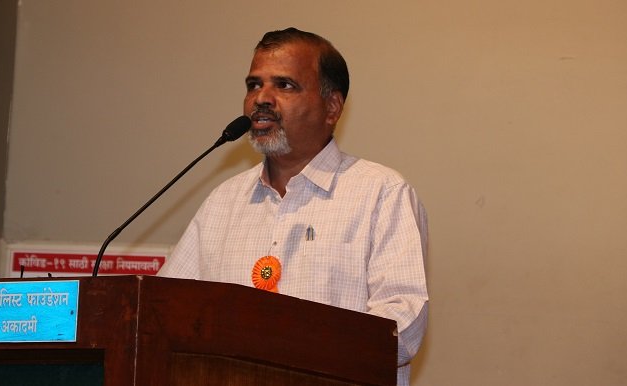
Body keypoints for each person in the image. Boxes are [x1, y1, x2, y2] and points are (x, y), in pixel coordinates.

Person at [158, 27, 428, 385]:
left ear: (331, 107)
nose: (261, 98)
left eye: (284, 85)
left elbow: (401, 328)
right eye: (254, 85)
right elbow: (164, 313)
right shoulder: (223, 201)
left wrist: (285, 345)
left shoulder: (382, 193)